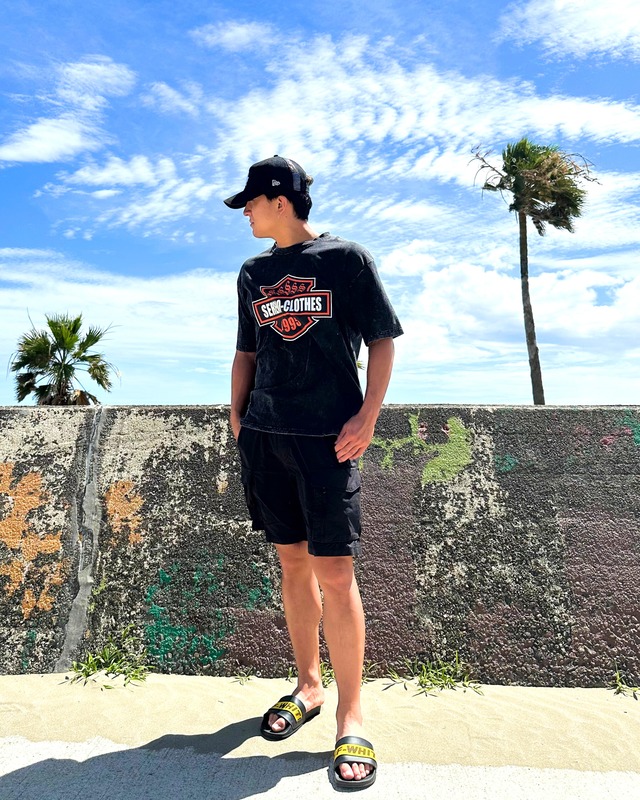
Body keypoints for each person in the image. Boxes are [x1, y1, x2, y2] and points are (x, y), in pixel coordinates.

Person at [225, 155, 403, 790]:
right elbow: (246, 350)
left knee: (335, 571)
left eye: (251, 202)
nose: (246, 213)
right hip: (267, 438)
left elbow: (382, 339)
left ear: (281, 200)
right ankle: (308, 686)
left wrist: (369, 416)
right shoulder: (253, 273)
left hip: (329, 440)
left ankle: (352, 715)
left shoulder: (345, 260)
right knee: (293, 565)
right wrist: (238, 416)